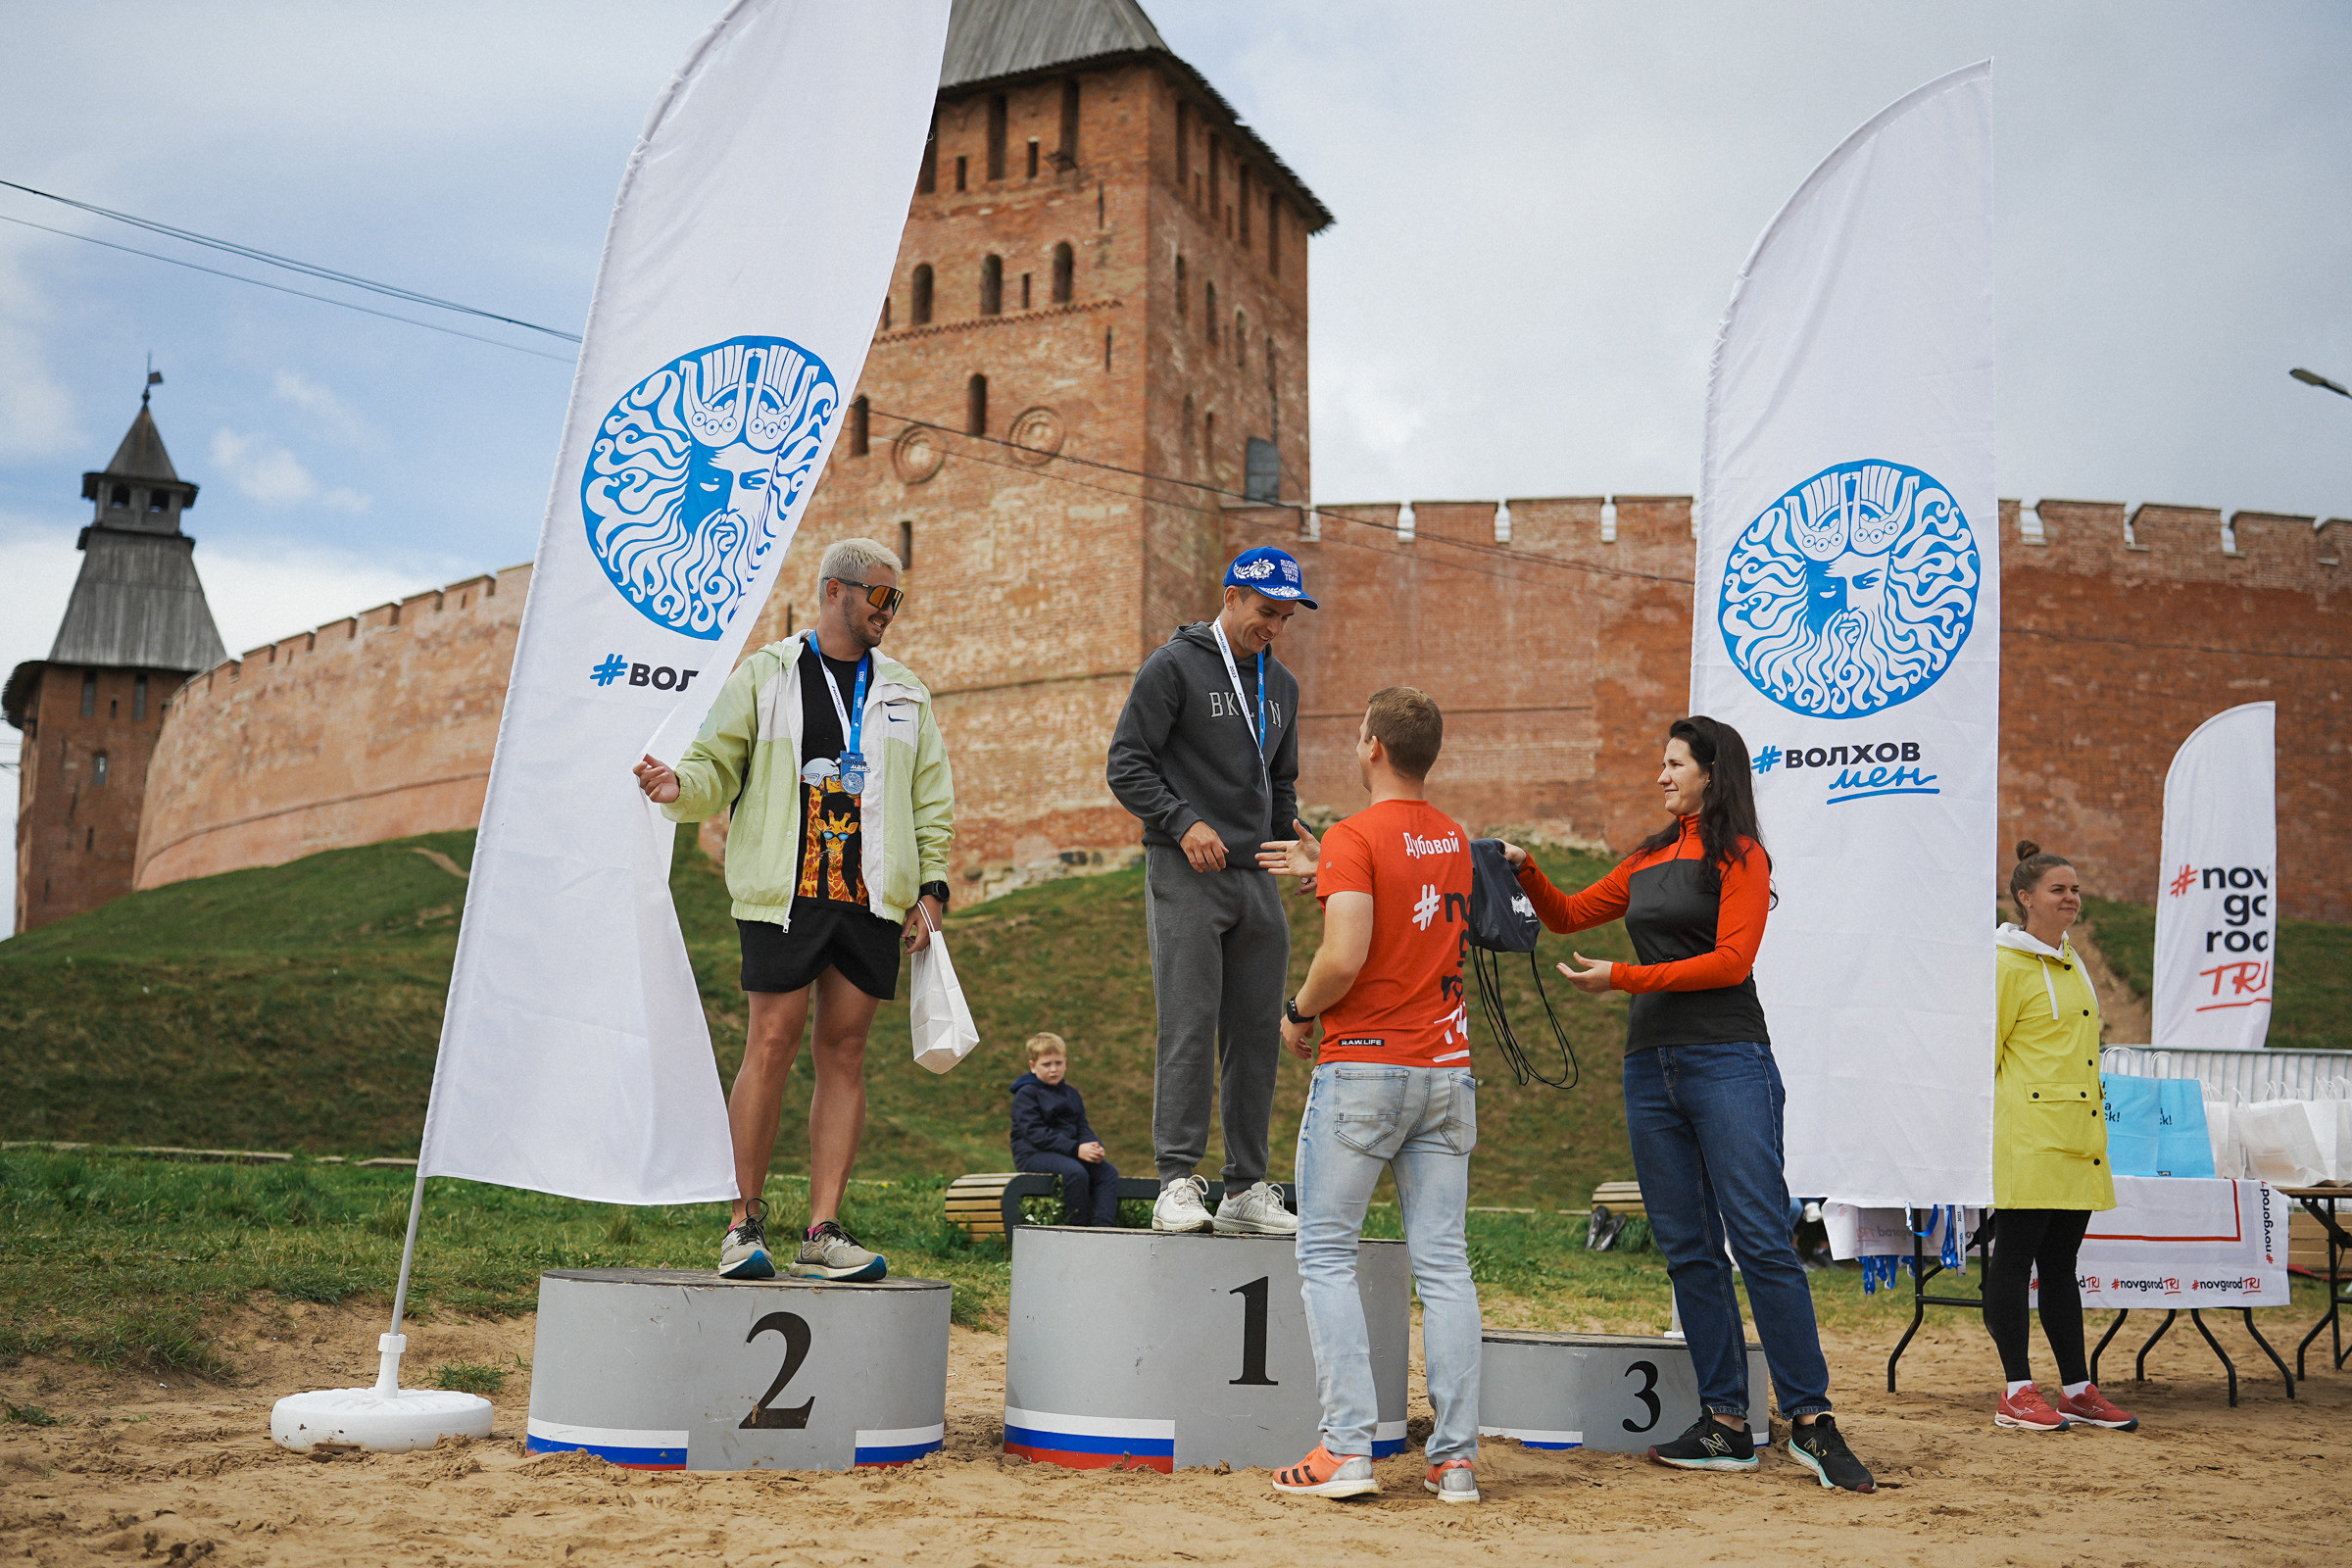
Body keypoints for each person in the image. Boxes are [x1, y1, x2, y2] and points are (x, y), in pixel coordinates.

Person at [1498, 715, 1875, 1493]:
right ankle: (1727, 1424)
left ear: (1712, 771)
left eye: (1675, 764)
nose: (1662, 775)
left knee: (1762, 1241)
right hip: (1650, 1068)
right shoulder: (1648, 855)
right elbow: (1568, 914)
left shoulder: (1741, 854)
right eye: (1662, 763)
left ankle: (1811, 1419)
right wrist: (1526, 867)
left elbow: (1731, 961)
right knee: (1689, 1252)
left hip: (1727, 1058)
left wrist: (1624, 979)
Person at [633, 537, 954, 1284]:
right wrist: (682, 787)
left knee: (844, 1055)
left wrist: (932, 888)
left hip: (872, 894)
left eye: (896, 599)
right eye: (881, 596)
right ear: (836, 592)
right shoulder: (768, 672)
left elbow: (930, 798)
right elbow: (719, 761)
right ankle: (743, 1224)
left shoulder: (906, 690)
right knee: (770, 1044)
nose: (890, 612)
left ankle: (823, 1228)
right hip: (787, 891)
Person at [1257, 687, 1482, 1504]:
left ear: (1373, 746)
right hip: (1447, 1070)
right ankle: (1454, 1462)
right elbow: (1412, 911)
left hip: (1362, 1068)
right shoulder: (1456, 840)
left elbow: (1346, 954)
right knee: (1446, 1268)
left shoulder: (1355, 836)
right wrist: (1332, 870)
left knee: (1325, 1254)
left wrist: (1297, 1009)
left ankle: (1346, 1448)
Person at [1105, 547, 1312, 1238]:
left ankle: (1246, 1187)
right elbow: (1126, 762)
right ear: (1231, 597)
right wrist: (1181, 819)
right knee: (1189, 1026)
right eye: (1265, 612)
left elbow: (1280, 784)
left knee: (1256, 1035)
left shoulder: (1281, 686)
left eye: (1285, 617)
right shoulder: (1174, 667)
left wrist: (1298, 842)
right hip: (1185, 871)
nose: (1275, 627)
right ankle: (1175, 1182)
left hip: (1256, 880)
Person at [1986, 844, 2136, 1432]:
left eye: (2075, 889)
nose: (2071, 898)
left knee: (2061, 1262)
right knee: (2014, 1257)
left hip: (2079, 1136)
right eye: (2058, 889)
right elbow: (1983, 1057)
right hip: (2028, 1137)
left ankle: (2076, 1387)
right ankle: (2017, 1389)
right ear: (2026, 898)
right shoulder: (2005, 965)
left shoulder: (2073, 962)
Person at [1008, 1032, 1122, 1229]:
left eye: (1058, 1063)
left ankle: (1103, 1229)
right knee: (1076, 1173)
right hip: (1034, 1154)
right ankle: (1078, 1229)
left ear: (1066, 1063)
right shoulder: (1026, 1095)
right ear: (1032, 1066)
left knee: (1108, 1172)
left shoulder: (1072, 1094)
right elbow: (1036, 1134)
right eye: (1046, 1064)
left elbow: (1081, 1126)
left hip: (1067, 1152)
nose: (1053, 1069)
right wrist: (1076, 1149)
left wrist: (1093, 1146)